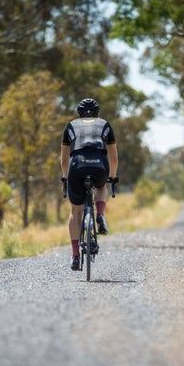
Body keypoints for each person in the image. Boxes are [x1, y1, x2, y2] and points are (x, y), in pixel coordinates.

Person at [60, 98, 119, 271]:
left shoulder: (70, 126)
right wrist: (113, 176)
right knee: (101, 186)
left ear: (79, 114)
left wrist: (65, 177)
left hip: (76, 165)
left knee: (75, 211)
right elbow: (114, 158)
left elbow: (64, 160)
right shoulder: (105, 124)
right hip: (99, 164)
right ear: (97, 113)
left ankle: (75, 255)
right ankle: (100, 213)